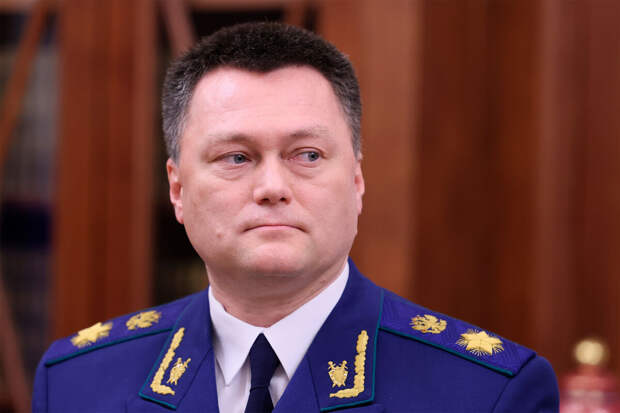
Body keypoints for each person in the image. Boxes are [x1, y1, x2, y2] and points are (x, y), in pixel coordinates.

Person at [33, 22, 559, 412]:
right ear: (177, 188)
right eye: (236, 157)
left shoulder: (486, 392)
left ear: (356, 180)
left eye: (307, 155)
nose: (272, 188)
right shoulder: (78, 381)